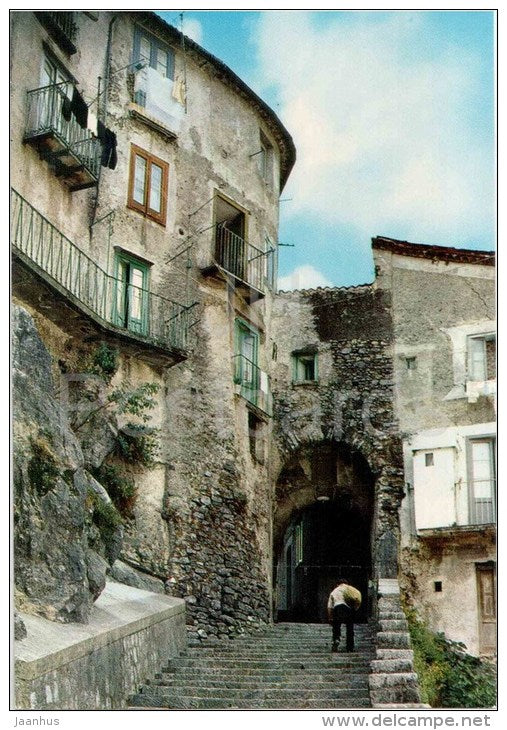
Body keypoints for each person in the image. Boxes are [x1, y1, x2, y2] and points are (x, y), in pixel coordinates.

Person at [327, 578, 362, 652]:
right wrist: (355, 609)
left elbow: (329, 607)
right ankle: (350, 647)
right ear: (346, 583)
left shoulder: (334, 591)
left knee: (336, 626)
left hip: (337, 608)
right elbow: (357, 598)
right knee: (350, 628)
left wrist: (330, 618)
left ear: (337, 584)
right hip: (348, 609)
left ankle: (336, 639)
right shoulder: (350, 589)